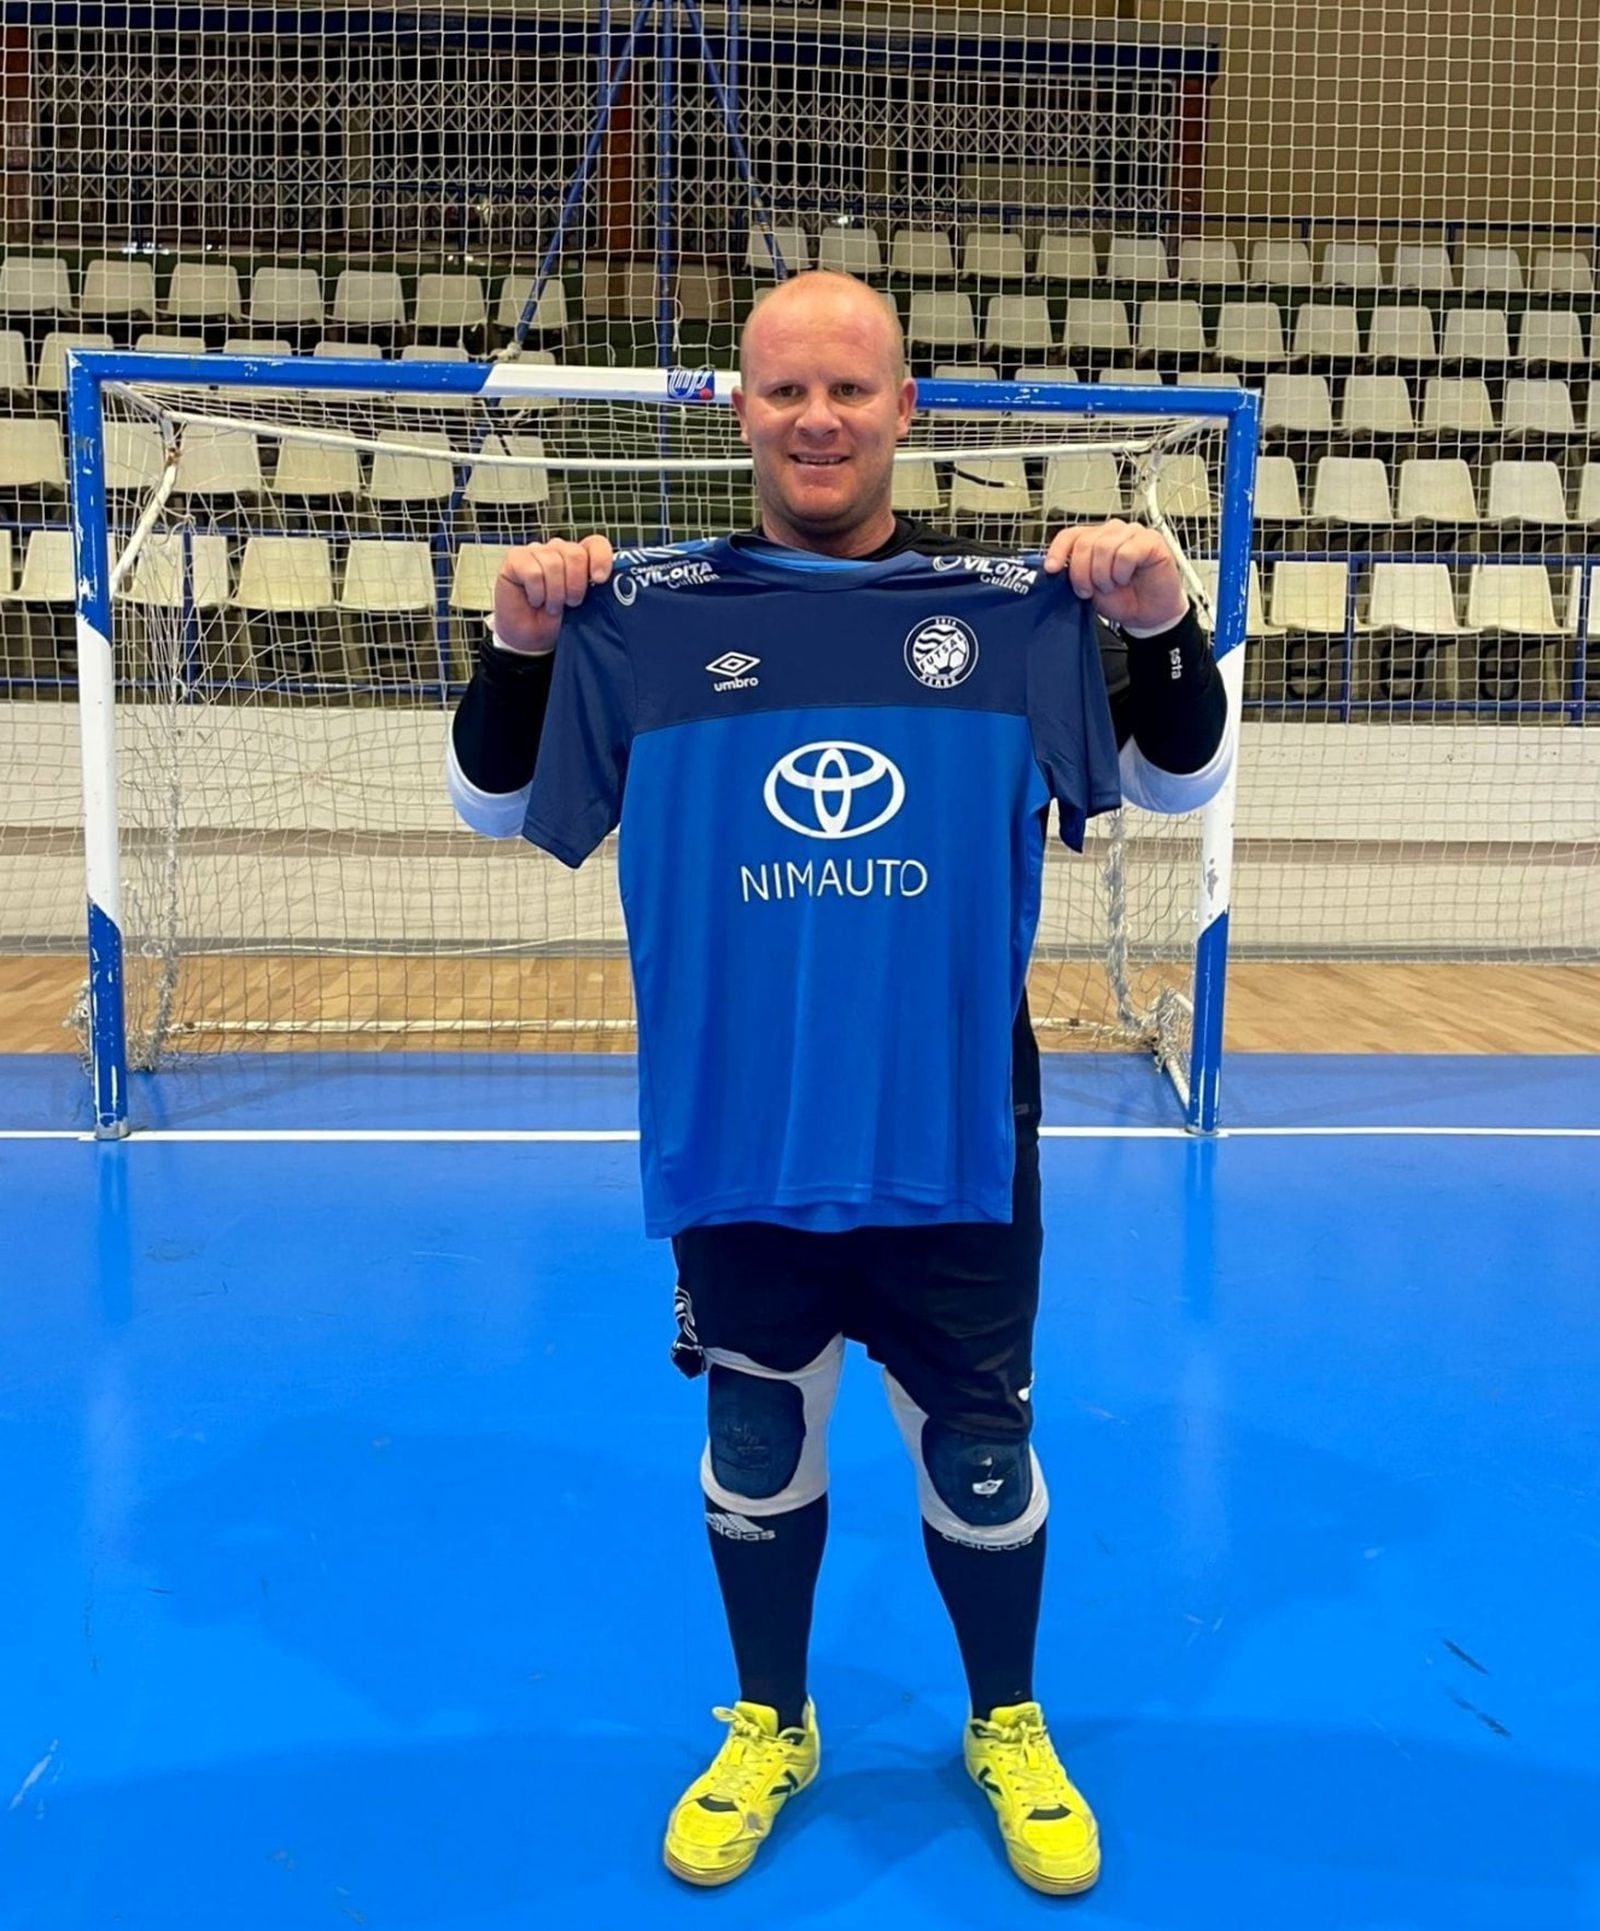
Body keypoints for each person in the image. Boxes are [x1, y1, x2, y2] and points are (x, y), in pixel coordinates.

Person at [448, 270, 1232, 1896]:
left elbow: (1182, 775)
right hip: (740, 1126)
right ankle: (768, 1719)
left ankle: (1005, 1722)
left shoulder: (1008, 614)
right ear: (740, 408)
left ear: (904, 411)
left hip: (952, 1126)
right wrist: (524, 648)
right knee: (754, 1431)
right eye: (786, 389)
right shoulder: (642, 619)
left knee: (980, 1455)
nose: (818, 417)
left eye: (849, 390)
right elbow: (488, 804)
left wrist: (1162, 624)